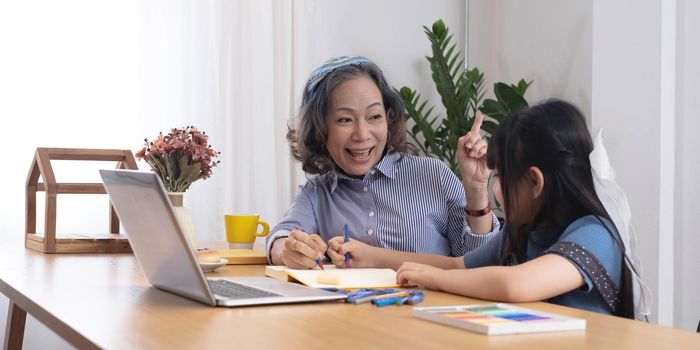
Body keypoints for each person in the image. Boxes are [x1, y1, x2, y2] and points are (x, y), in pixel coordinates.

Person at [329, 99, 642, 318]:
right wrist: (373, 256)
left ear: (535, 182)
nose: (496, 191)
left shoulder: (597, 235)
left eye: (502, 178)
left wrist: (432, 279)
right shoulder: (524, 232)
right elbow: (457, 266)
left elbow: (515, 284)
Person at [267, 56, 500, 268]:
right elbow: (281, 236)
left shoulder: (434, 174)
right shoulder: (317, 194)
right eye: (345, 119)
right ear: (320, 129)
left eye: (374, 116)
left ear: (388, 118)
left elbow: (479, 264)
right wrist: (288, 249)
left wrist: (477, 189)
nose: (362, 134)